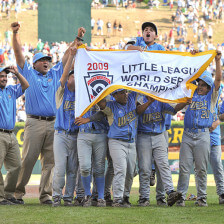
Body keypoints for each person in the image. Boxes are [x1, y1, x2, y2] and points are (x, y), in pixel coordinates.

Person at [11, 21, 86, 205]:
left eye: (48, 59)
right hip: (34, 122)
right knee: (28, 159)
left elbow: (68, 54)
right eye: (42, 59)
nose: (46, 62)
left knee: (50, 162)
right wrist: (15, 34)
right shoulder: (27, 73)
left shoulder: (55, 73)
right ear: (34, 63)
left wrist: (78, 39)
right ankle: (18, 194)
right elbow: (19, 54)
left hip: (53, 123)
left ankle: (45, 195)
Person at [176, 51, 222, 207]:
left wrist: (217, 60)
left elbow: (217, 79)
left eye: (203, 85)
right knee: (183, 167)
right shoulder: (191, 93)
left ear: (209, 88)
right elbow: (189, 77)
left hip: (203, 134)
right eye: (199, 84)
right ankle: (180, 197)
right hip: (188, 135)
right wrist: (195, 61)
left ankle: (202, 197)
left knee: (201, 168)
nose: (200, 86)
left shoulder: (211, 97)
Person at [52, 46, 80, 207]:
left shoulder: (81, 94)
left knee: (72, 169)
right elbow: (63, 76)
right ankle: (56, 196)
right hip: (61, 135)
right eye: (72, 76)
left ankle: (68, 197)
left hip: (76, 135)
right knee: (60, 168)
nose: (73, 78)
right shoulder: (61, 93)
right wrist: (71, 56)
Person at [0, 66, 29, 205]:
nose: (4, 78)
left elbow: (26, 85)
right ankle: (0, 198)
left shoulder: (10, 90)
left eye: (5, 76)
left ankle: (8, 194)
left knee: (16, 166)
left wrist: (17, 73)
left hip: (11, 134)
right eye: (1, 76)